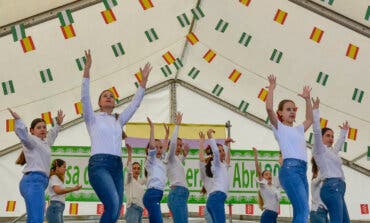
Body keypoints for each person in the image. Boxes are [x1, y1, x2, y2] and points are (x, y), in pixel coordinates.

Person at [81, 49, 152, 223]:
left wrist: (143, 82)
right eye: (105, 96)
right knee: (112, 203)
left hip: (116, 166)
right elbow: (84, 97)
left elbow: (134, 105)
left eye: (111, 96)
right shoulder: (92, 118)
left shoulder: (118, 121)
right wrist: (87, 71)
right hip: (99, 165)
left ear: (114, 103)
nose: (108, 97)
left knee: (117, 207)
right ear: (99, 102)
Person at [265, 75, 313, 223]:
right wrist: (271, 89)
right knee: (303, 209)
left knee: (304, 211)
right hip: (290, 169)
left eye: (294, 109)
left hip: (302, 171)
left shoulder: (298, 129)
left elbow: (310, 119)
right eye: (288, 109)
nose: (292, 112)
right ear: (280, 113)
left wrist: (307, 100)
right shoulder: (279, 128)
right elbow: (268, 108)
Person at [9, 108, 64, 223]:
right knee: (37, 218)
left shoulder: (45, 142)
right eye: (39, 127)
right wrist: (18, 120)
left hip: (38, 182)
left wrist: (58, 124)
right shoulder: (32, 141)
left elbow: (52, 135)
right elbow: (23, 135)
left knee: (34, 218)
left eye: (44, 127)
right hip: (33, 181)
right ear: (32, 131)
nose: (43, 129)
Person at [311, 97, 350, 223]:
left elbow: (338, 144)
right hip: (332, 187)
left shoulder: (331, 152)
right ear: (320, 138)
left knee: (345, 221)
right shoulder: (319, 150)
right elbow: (316, 130)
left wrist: (344, 132)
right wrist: (315, 111)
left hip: (339, 188)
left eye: (332, 136)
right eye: (328, 135)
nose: (331, 138)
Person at [143, 113, 181, 223]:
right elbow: (152, 146)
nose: (159, 149)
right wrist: (152, 128)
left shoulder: (162, 160)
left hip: (157, 195)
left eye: (160, 147)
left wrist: (167, 134)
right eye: (156, 148)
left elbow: (164, 147)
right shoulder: (151, 161)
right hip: (152, 194)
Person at [205, 129, 233, 223]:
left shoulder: (223, 165)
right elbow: (217, 153)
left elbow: (224, 155)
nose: (222, 152)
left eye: (223, 150)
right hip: (216, 198)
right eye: (219, 150)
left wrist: (226, 143)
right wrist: (210, 136)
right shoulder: (216, 163)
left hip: (215, 200)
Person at [166, 125, 190, 223]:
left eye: (181, 145)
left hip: (181, 194)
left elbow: (179, 161)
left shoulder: (176, 159)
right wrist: (177, 125)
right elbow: (172, 145)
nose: (179, 147)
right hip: (177, 193)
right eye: (178, 145)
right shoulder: (170, 156)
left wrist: (185, 154)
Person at [46, 159, 82, 223]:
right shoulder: (54, 177)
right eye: (64, 167)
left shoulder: (57, 179)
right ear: (57, 167)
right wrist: (73, 188)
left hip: (57, 207)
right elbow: (58, 191)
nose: (66, 169)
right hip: (55, 207)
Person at [253, 147, 281, 223]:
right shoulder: (263, 185)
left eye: (270, 174)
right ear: (263, 177)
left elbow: (281, 175)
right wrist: (256, 156)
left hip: (274, 216)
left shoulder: (274, 186)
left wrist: (282, 162)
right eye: (266, 174)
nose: (269, 175)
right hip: (267, 215)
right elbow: (258, 171)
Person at [124, 144, 146, 223]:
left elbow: (148, 176)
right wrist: (130, 153)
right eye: (134, 168)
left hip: (140, 210)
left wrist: (148, 158)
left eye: (138, 169)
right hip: (132, 208)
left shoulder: (140, 181)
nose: (137, 170)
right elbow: (128, 170)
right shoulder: (129, 180)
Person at [198, 131, 214, 223]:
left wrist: (227, 145)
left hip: (218, 206)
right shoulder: (206, 176)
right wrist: (201, 143)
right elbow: (201, 159)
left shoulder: (218, 174)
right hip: (210, 207)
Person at [309, 158, 328, 223]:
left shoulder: (324, 183)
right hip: (317, 211)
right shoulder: (314, 182)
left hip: (323, 212)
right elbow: (320, 176)